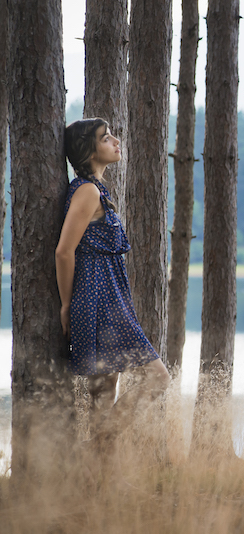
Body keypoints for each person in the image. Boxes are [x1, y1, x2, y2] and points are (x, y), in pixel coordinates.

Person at [56, 118, 170, 452]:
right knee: (158, 377)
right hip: (98, 296)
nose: (116, 141)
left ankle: (99, 483)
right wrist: (66, 305)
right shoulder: (88, 191)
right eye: (106, 138)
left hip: (107, 294)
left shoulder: (96, 189)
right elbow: (64, 251)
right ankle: (94, 450)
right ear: (88, 150)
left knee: (104, 397)